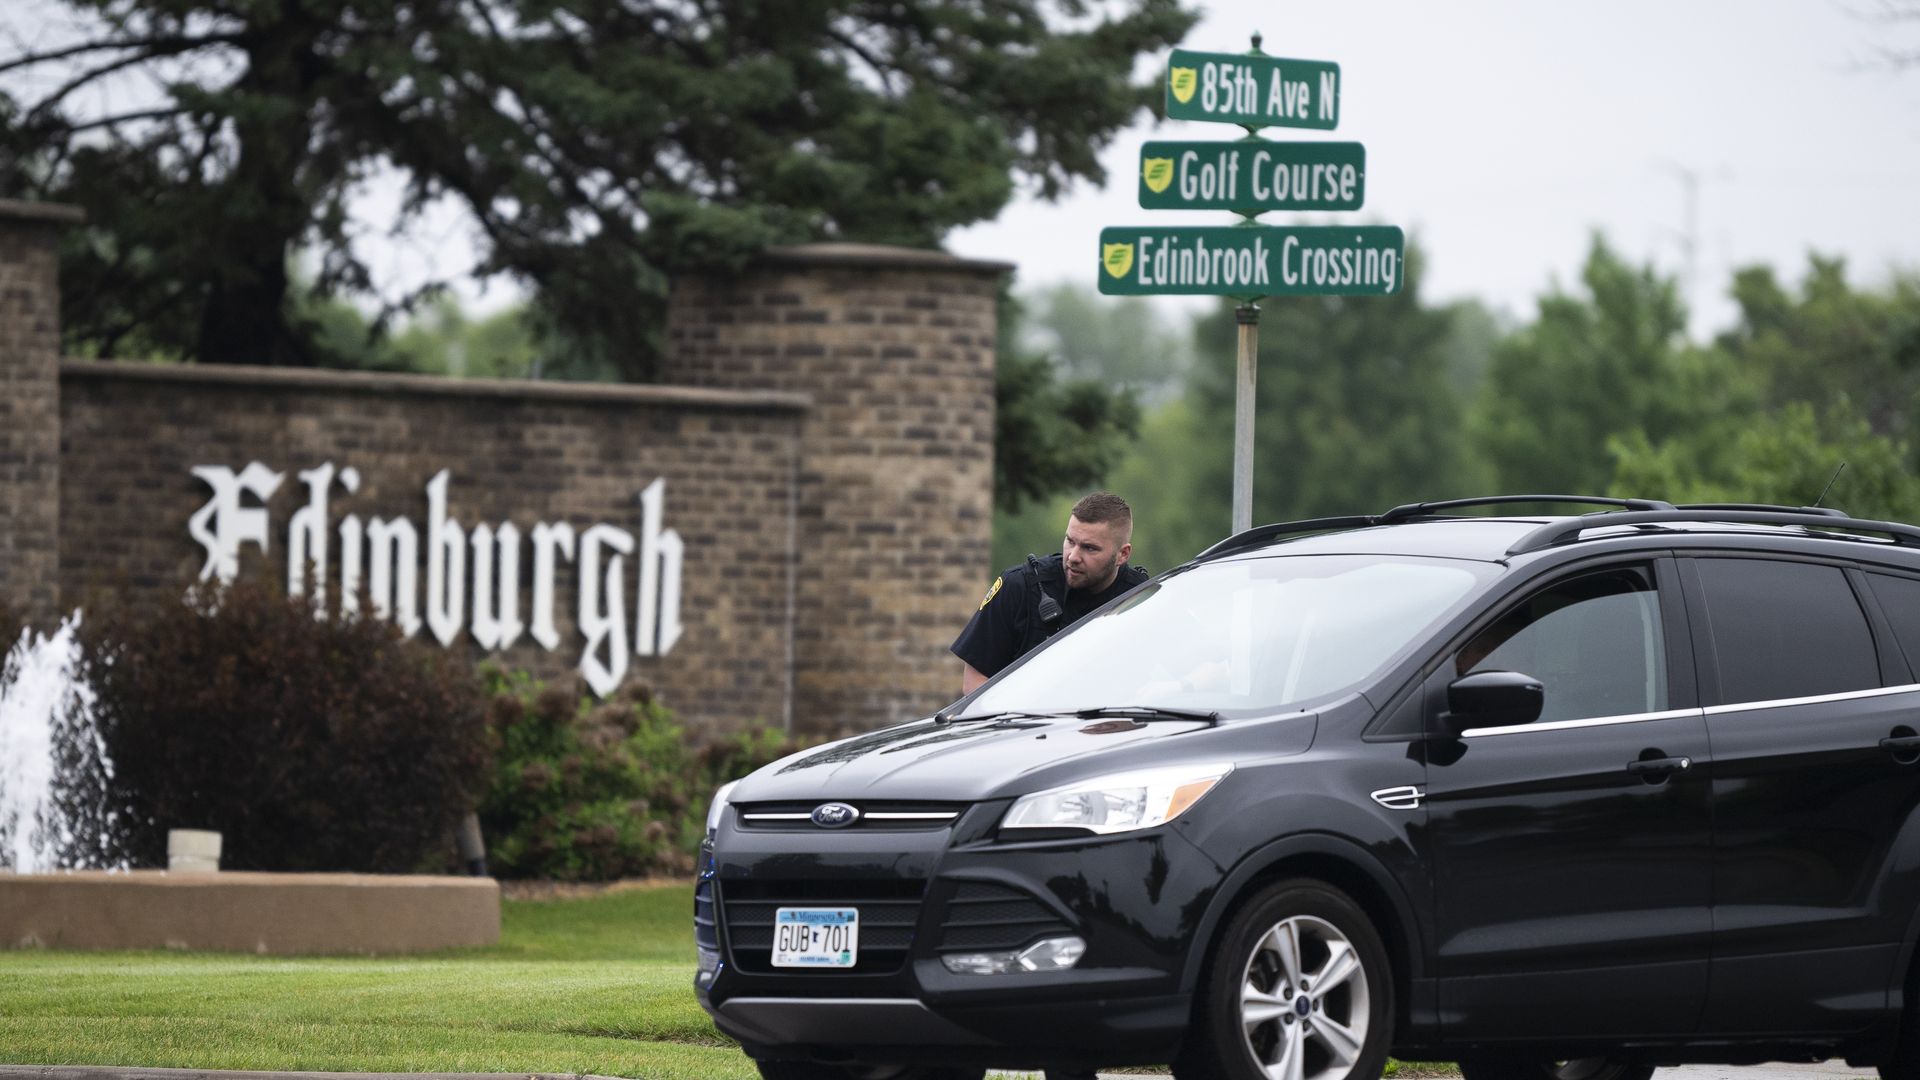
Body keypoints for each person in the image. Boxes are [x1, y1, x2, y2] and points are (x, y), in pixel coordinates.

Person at [952, 491, 1149, 694]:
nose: (1073, 556)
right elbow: (974, 684)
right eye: (1070, 541)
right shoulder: (1019, 586)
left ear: (1122, 554)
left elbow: (1166, 681)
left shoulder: (1143, 600)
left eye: (1089, 548)